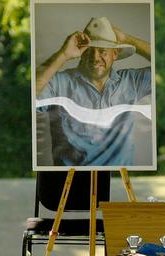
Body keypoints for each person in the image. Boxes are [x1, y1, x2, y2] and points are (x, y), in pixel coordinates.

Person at [35, 17, 152, 166]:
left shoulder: (131, 82)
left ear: (115, 54)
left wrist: (127, 39)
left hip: (117, 177)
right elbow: (31, 94)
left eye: (102, 51)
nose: (96, 58)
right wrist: (63, 54)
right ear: (82, 53)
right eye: (89, 51)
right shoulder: (60, 83)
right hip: (70, 178)